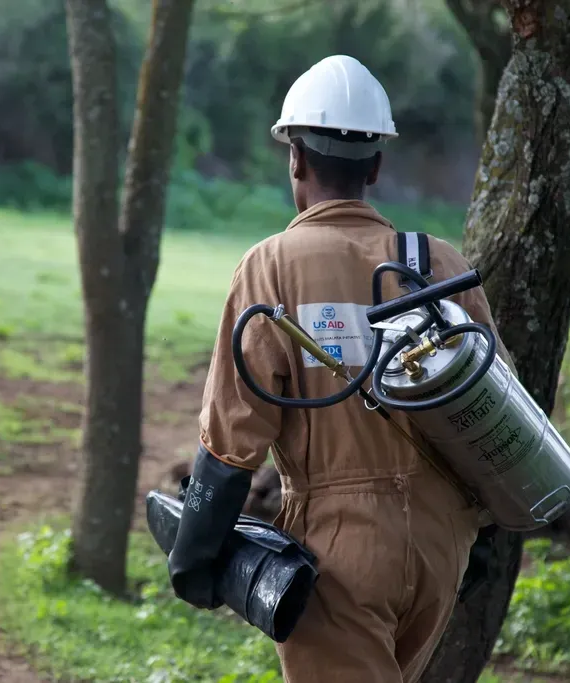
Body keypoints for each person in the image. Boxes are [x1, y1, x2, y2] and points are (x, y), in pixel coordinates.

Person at [167, 54, 515, 683]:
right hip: (441, 547)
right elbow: (493, 418)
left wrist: (194, 556)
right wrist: (475, 543)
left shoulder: (270, 267)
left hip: (340, 551)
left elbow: (233, 438)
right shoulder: (437, 265)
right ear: (376, 164)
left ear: (295, 157)